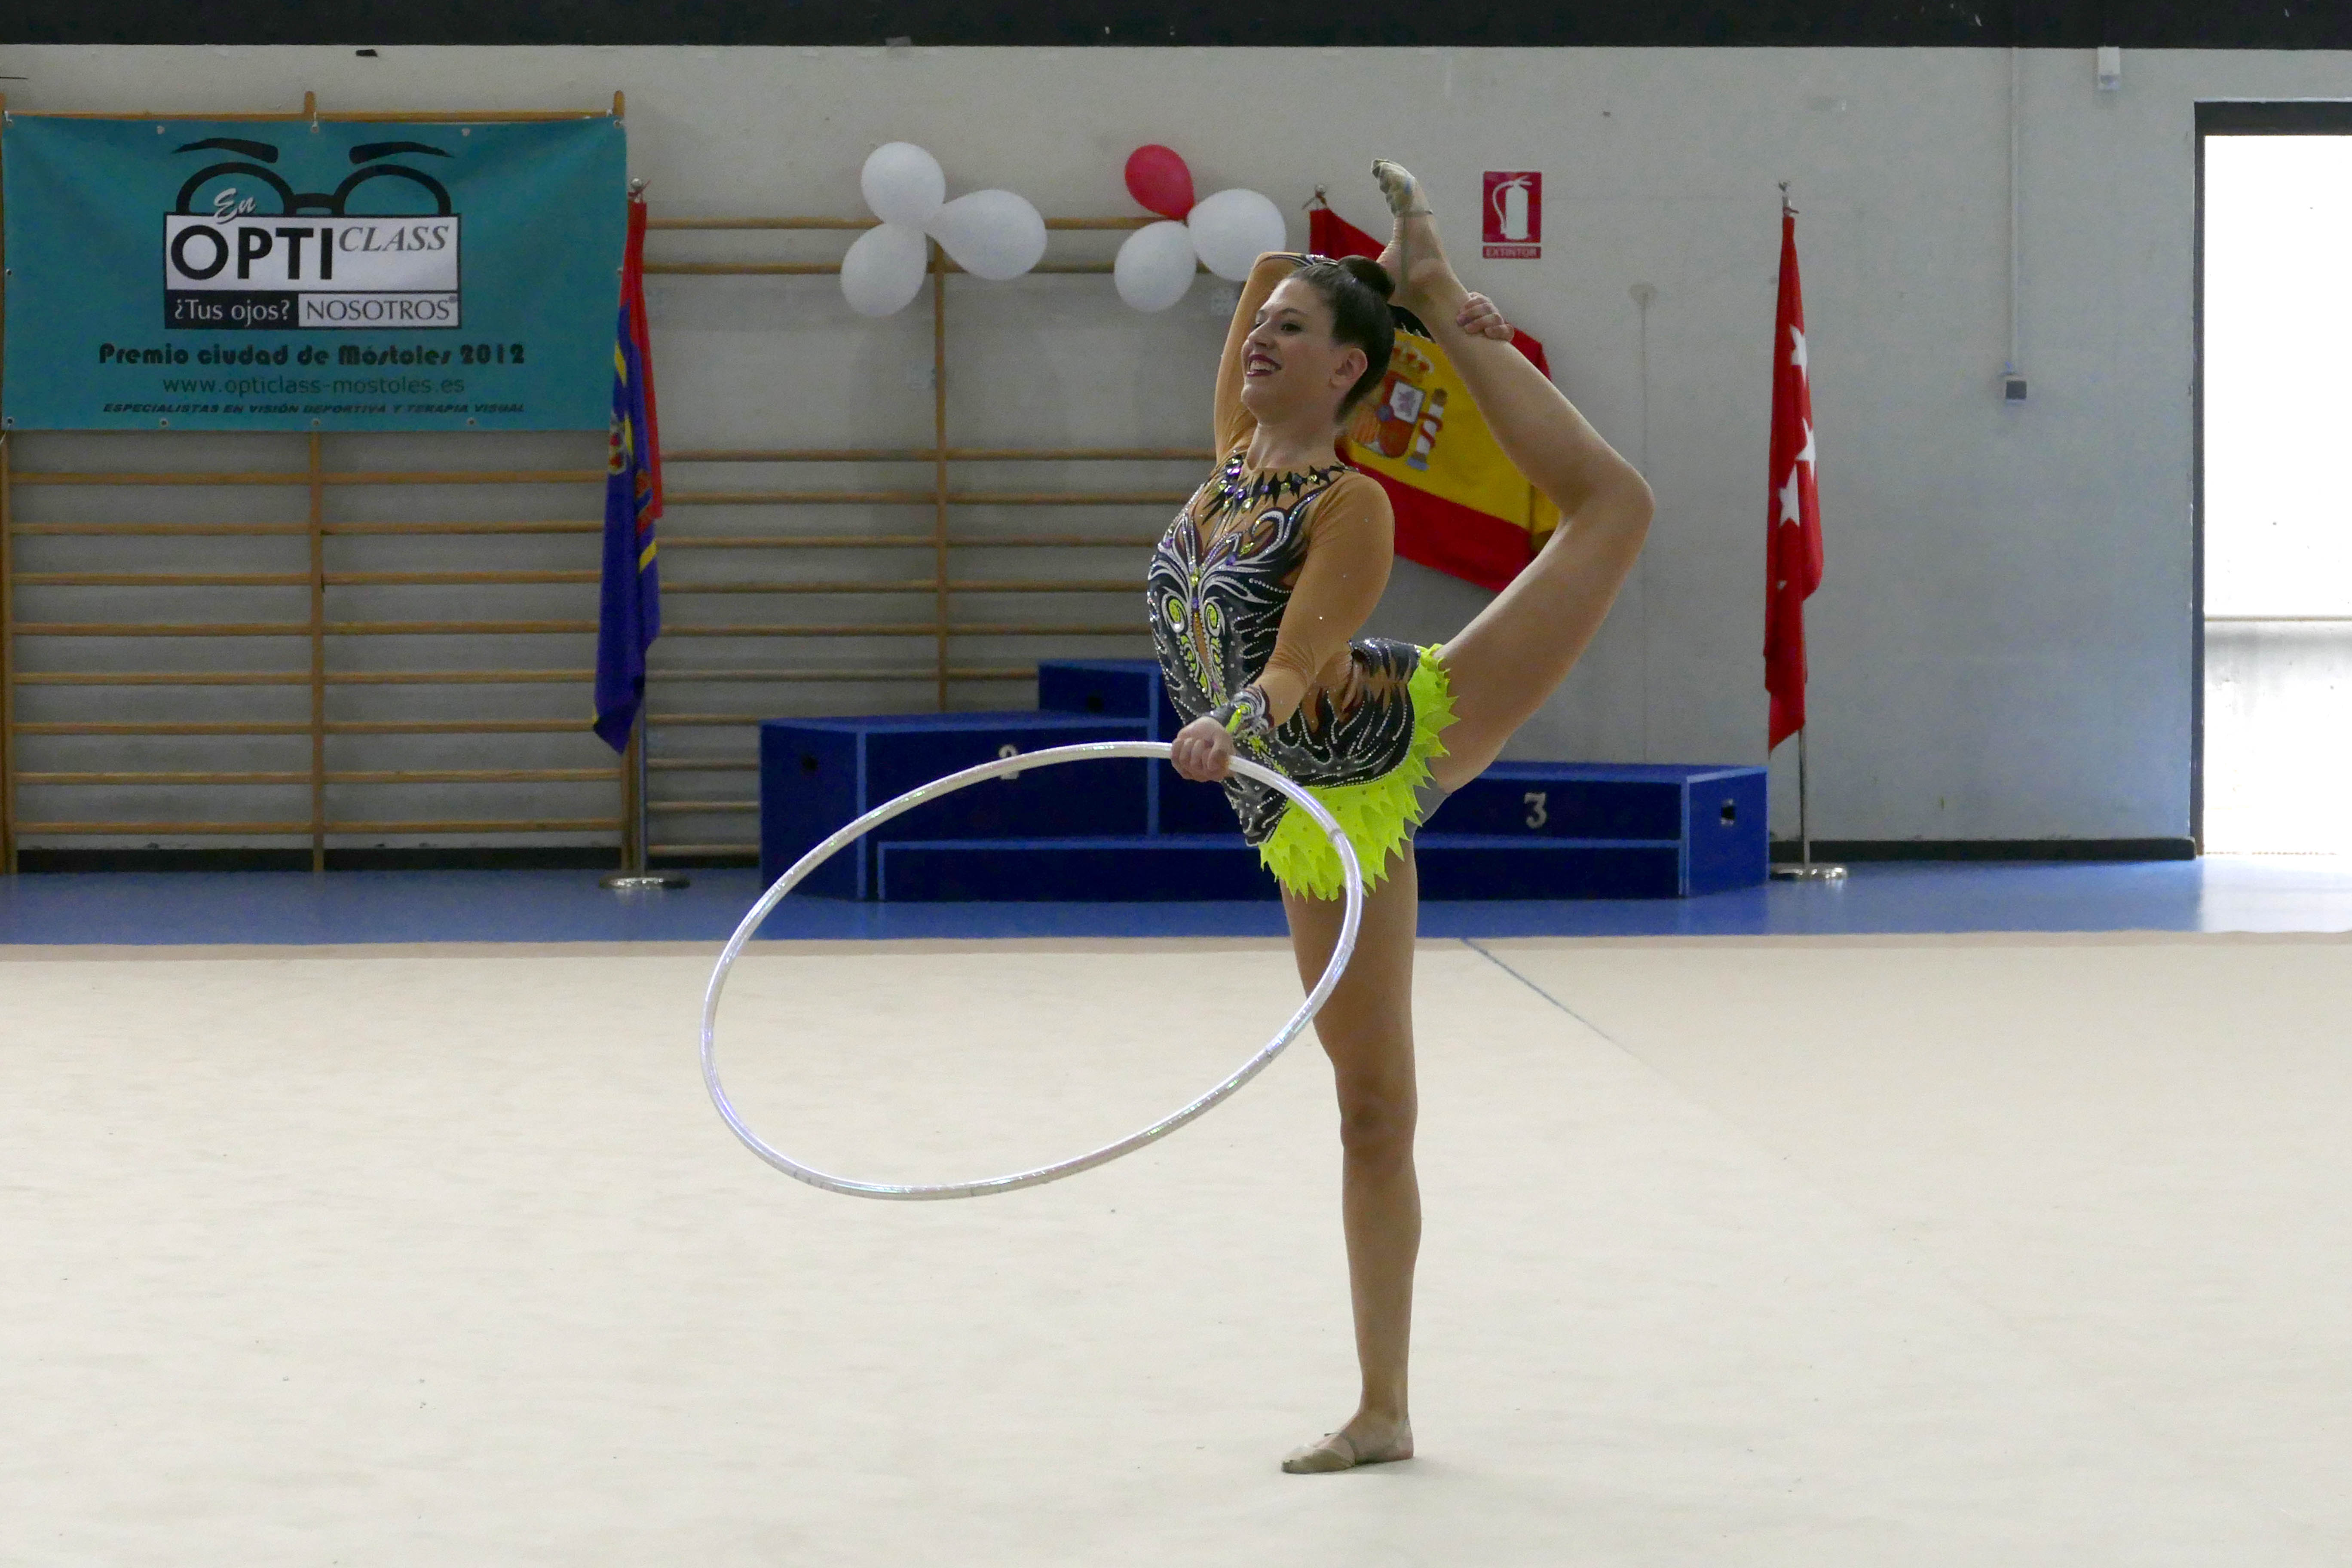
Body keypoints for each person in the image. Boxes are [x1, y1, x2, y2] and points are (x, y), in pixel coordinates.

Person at [1148, 160, 1654, 1473]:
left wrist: (1424, 299)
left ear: (1348, 376)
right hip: (1284, 803)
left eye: (1295, 335)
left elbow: (1295, 669)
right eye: (1263, 331)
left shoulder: (1352, 504)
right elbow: (1269, 276)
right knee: (1361, 1104)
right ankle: (1416, 281)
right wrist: (1355, 277)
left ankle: (1384, 1409)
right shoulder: (1233, 464)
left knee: (1375, 1111)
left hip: (1368, 767)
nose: (1261, 336)